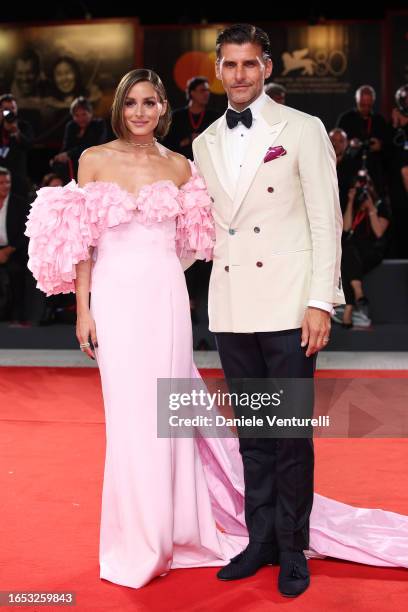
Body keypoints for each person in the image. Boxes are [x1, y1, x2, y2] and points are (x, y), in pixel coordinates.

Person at [24, 67, 408, 594]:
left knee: (169, 419)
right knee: (130, 421)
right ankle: (139, 539)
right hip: (115, 303)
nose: (140, 111)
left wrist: (160, 265)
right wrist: (85, 311)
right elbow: (82, 245)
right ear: (120, 107)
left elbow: (199, 241)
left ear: (164, 109)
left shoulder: (182, 166)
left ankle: (181, 530)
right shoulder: (94, 159)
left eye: (150, 102)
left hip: (166, 303)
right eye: (132, 102)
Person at [192, 22, 344, 597]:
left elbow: (326, 221)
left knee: (289, 435)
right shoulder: (204, 143)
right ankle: (258, 541)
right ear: (218, 68)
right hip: (231, 310)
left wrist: (319, 302)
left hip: (287, 304)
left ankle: (292, 546)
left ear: (268, 67)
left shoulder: (303, 130)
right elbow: (203, 232)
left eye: (249, 64)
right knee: (252, 435)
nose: (238, 75)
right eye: (229, 65)